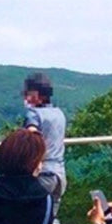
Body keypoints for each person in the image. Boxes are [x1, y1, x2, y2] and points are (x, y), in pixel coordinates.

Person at [21, 71, 67, 209]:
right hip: (60, 175)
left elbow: (32, 135)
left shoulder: (34, 114)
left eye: (28, 93)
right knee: (50, 220)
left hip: (42, 174)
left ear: (37, 95)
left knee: (29, 216)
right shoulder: (59, 113)